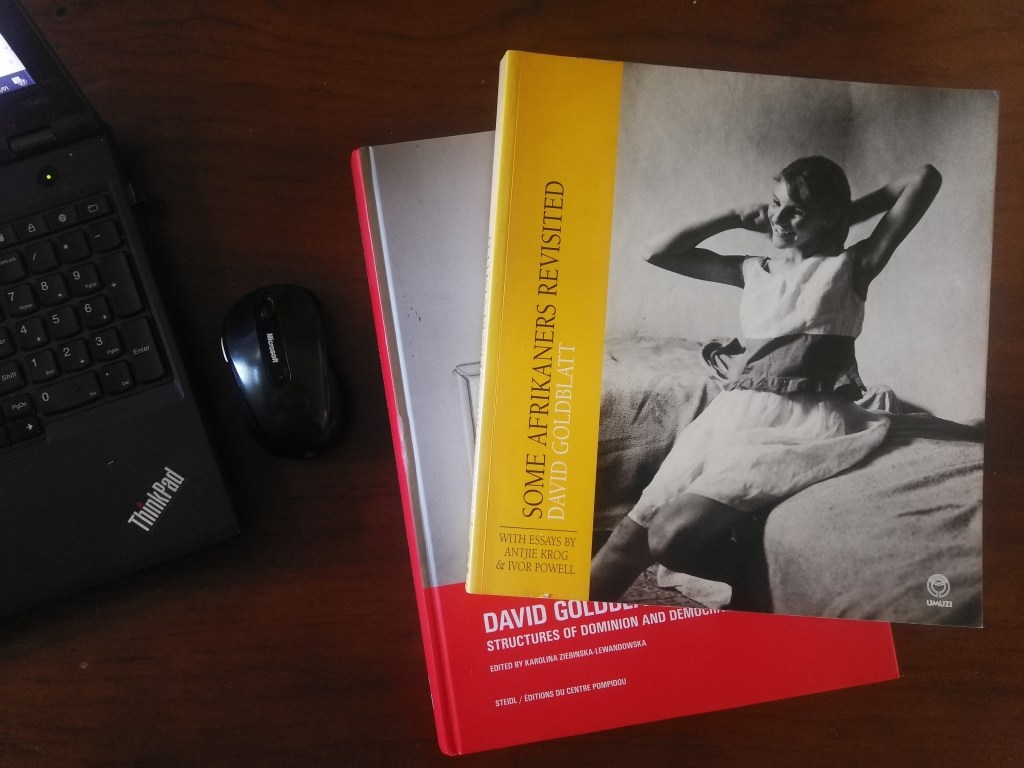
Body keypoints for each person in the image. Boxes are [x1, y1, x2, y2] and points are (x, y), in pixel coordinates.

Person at [589, 156, 943, 603]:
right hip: (731, 418)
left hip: (802, 422)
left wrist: (843, 217)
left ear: (828, 217)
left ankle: (760, 586)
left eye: (796, 211)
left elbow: (923, 178)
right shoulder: (752, 270)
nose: (779, 217)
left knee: (669, 537)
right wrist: (736, 215)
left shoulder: (852, 266)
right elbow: (654, 251)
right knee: (626, 539)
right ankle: (566, 638)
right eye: (776, 203)